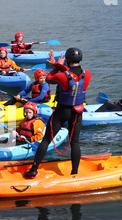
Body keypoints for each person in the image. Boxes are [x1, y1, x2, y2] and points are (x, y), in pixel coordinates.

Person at [24, 47, 91, 178]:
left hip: (62, 111)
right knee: (75, 142)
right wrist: (59, 64)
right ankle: (74, 173)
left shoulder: (61, 76)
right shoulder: (87, 74)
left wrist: (56, 65)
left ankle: (34, 169)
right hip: (77, 112)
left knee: (47, 139)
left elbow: (49, 78)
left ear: (68, 60)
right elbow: (73, 75)